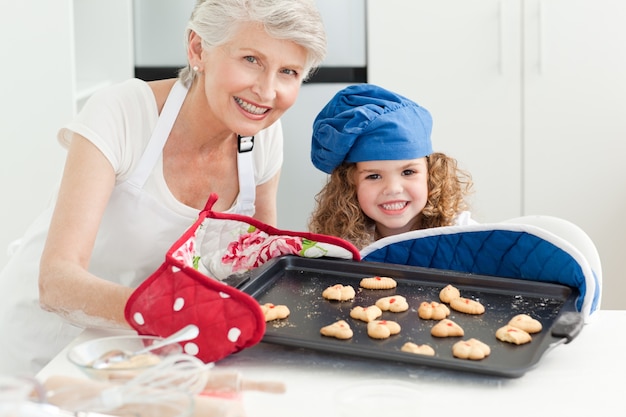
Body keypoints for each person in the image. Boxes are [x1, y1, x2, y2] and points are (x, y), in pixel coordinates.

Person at [0, 0, 326, 376]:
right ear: (198, 49)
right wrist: (173, 315)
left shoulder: (263, 137)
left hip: (149, 356)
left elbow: (258, 263)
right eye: (251, 59)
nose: (267, 92)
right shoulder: (123, 113)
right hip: (43, 358)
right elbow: (57, 282)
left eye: (288, 71)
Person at [308, 84, 474, 249]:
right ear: (349, 184)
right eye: (373, 176)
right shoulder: (342, 248)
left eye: (408, 172)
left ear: (432, 175)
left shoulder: (463, 234)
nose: (393, 189)